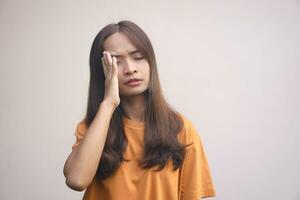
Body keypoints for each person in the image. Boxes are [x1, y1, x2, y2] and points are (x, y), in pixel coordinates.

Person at [63, 20, 216, 200]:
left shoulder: (182, 130)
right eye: (116, 61)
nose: (130, 69)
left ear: (151, 62)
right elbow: (77, 180)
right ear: (102, 70)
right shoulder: (93, 128)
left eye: (138, 57)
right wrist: (108, 103)